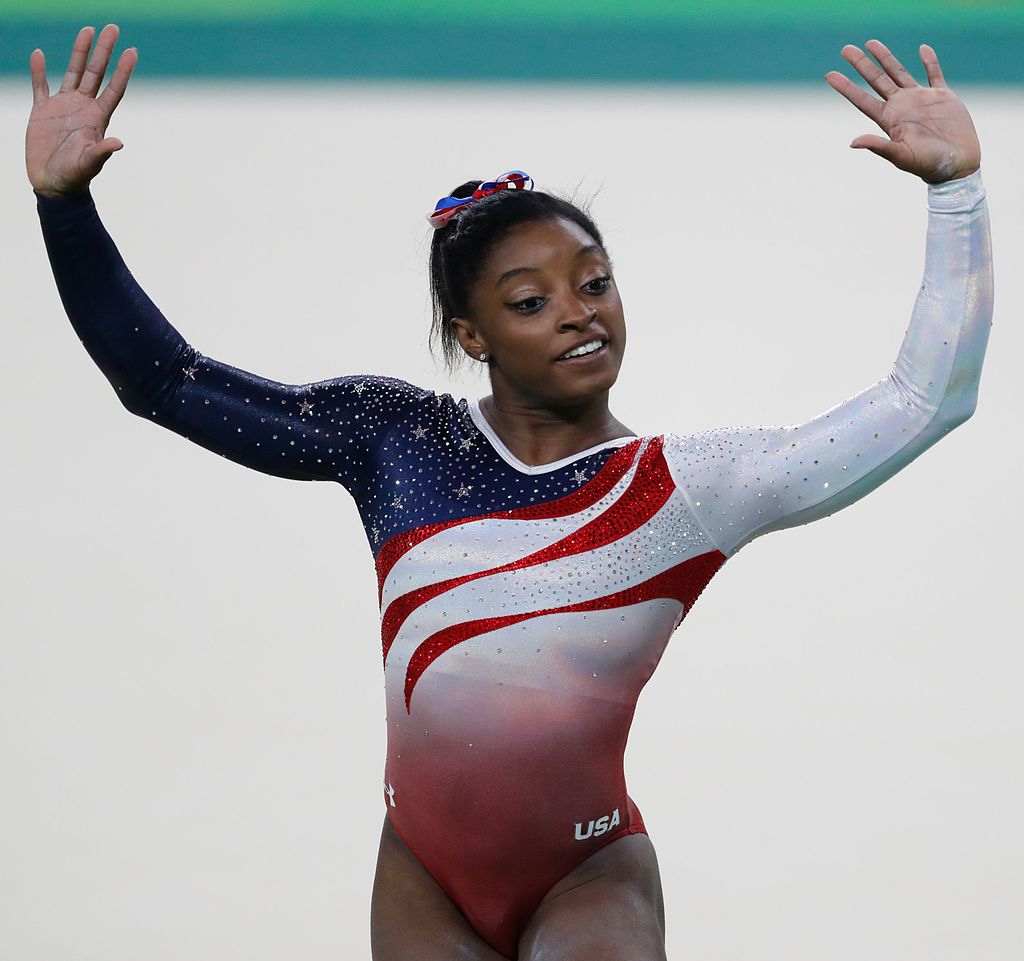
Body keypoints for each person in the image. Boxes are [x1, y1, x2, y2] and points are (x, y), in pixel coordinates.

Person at [26, 24, 991, 961]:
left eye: (597, 283)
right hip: (421, 879)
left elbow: (925, 399)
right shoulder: (392, 439)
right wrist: (64, 211)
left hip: (589, 874)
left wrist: (958, 194)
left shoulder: (684, 486)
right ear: (473, 334)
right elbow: (168, 382)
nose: (579, 313)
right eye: (531, 301)